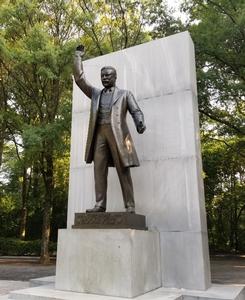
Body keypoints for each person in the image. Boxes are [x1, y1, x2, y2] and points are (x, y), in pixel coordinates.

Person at [73, 45, 146, 213]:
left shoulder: (125, 94)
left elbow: (136, 111)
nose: (104, 78)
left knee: (123, 169)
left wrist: (140, 122)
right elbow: (80, 79)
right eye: (102, 76)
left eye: (108, 75)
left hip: (119, 136)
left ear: (115, 77)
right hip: (99, 134)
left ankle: (129, 205)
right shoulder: (96, 94)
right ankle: (100, 204)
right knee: (99, 169)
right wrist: (78, 57)